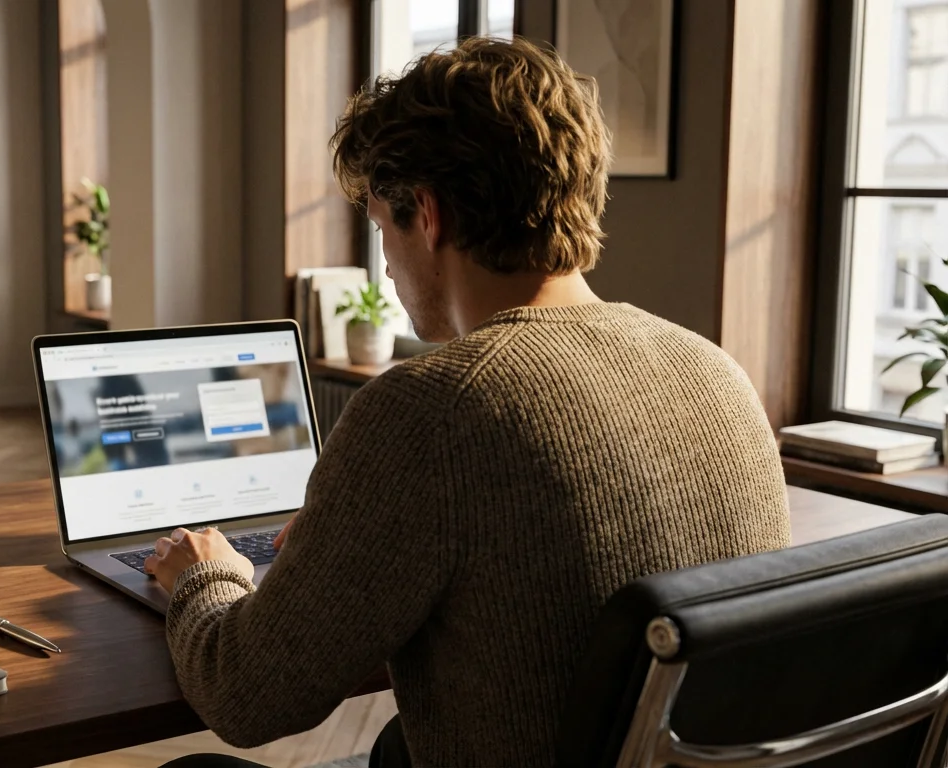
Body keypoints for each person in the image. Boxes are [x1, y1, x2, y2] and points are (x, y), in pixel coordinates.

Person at [145, 36, 790, 768]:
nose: (385, 261)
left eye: (382, 225)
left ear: (427, 213)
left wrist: (206, 572)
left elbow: (246, 695)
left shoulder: (434, 410)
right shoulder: (718, 372)